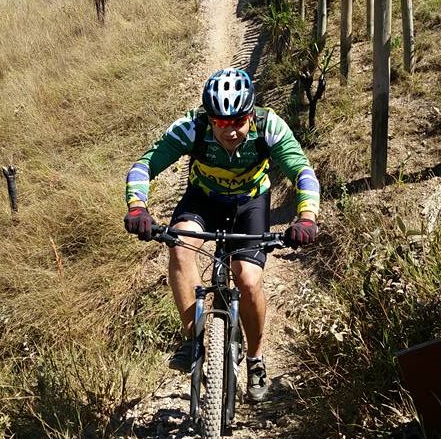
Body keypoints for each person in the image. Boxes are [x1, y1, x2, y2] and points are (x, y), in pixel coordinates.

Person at [124, 67, 319, 402]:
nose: (230, 131)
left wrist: (307, 217)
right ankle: (194, 340)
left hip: (250, 203)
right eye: (220, 122)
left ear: (251, 114)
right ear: (209, 118)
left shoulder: (269, 126)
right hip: (203, 200)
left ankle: (255, 359)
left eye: (238, 121)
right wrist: (137, 207)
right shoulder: (192, 127)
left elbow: (302, 171)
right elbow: (145, 165)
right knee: (180, 247)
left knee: (248, 280)